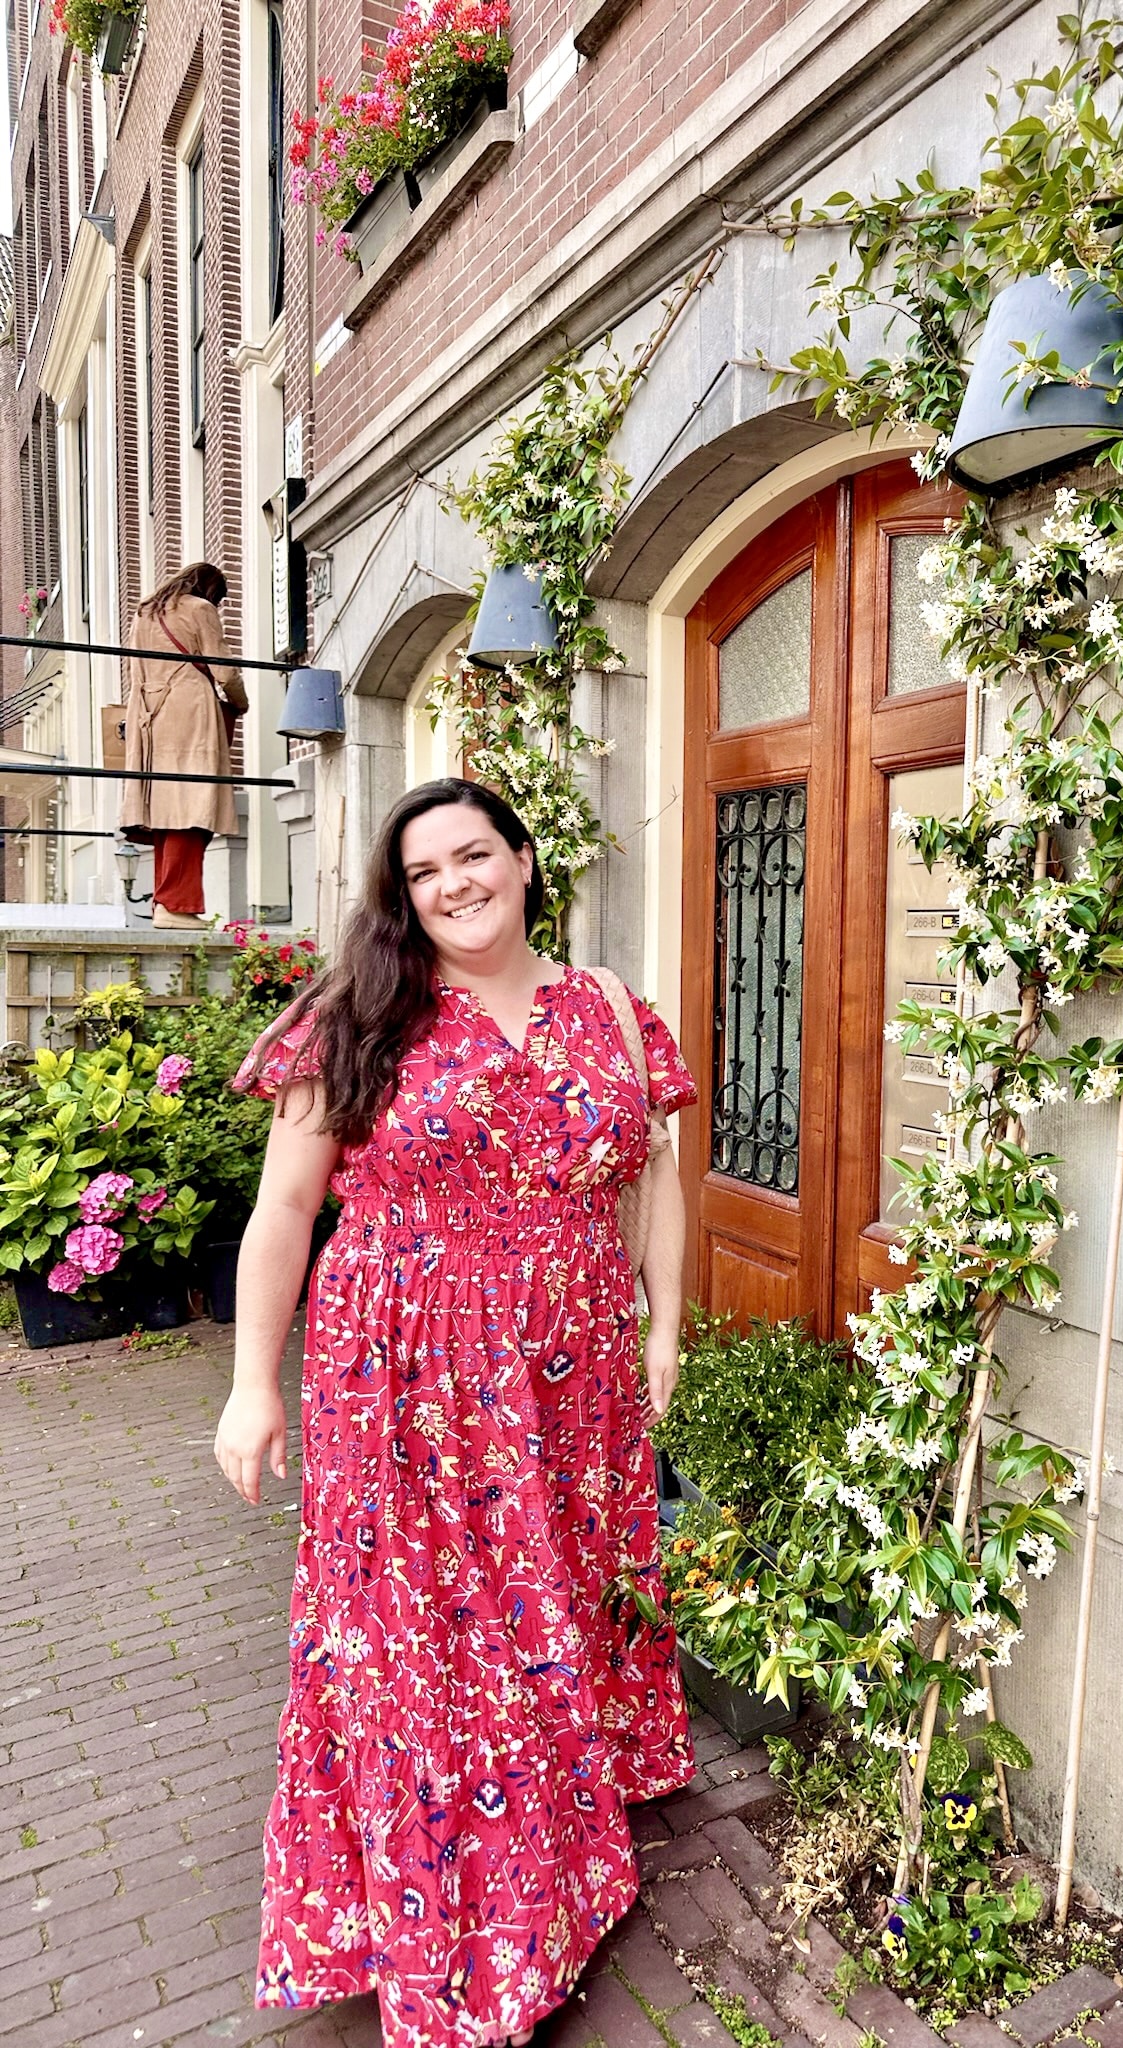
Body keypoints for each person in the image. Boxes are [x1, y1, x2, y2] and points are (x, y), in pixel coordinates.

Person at [213, 778, 697, 2048]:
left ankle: (562, 1835)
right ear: (404, 893)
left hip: (576, 1368)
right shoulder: (362, 1010)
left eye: (473, 854)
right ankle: (460, 1925)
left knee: (560, 1599)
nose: (452, 884)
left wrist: (665, 1320)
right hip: (409, 1380)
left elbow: (654, 1174)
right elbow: (284, 1211)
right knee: (431, 1645)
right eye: (425, 871)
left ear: (526, 860)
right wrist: (254, 1378)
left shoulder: (608, 1008)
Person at [121, 562, 247, 928]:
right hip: (190, 711)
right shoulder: (200, 609)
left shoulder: (145, 614)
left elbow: (137, 673)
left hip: (151, 716)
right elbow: (223, 669)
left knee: (166, 810)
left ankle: (165, 901)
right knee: (193, 808)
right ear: (210, 591)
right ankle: (177, 906)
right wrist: (240, 702)